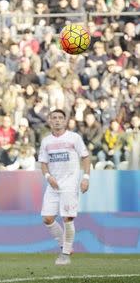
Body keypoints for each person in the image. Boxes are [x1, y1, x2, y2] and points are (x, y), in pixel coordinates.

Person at [38, 109, 91, 265]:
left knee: (67, 218)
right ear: (49, 121)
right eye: (54, 117)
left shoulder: (74, 138)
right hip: (53, 185)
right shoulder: (46, 141)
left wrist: (86, 178)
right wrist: (48, 177)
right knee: (47, 219)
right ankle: (64, 244)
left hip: (70, 183)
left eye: (60, 118)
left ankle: (65, 254)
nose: (57, 120)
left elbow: (86, 158)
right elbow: (43, 163)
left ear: (65, 121)